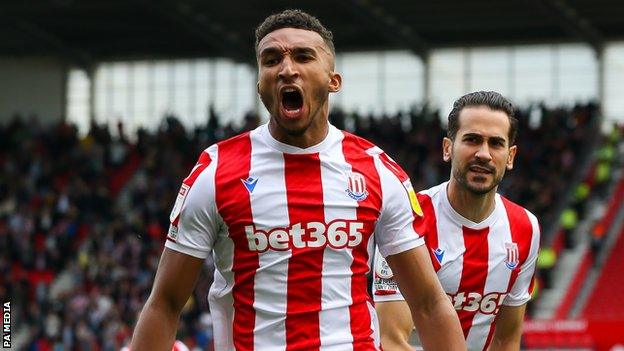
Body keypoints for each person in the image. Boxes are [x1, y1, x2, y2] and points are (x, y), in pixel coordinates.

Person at [131, 9, 464, 351]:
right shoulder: (215, 172)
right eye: (271, 59)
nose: (287, 69)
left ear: (333, 80)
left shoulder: (377, 170)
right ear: (261, 82)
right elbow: (165, 304)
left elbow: (428, 303)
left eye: (303, 57)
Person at [374, 91, 541, 351]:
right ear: (448, 148)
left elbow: (506, 340)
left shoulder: (525, 228)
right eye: (472, 140)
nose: (483, 154)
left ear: (510, 156)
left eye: (496, 143)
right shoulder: (407, 218)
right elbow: (392, 340)